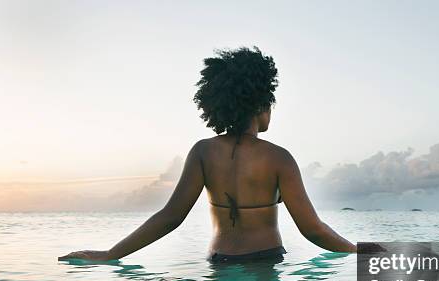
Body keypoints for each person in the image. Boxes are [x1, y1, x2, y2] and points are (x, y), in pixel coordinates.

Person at [59, 47, 356, 262]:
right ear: (259, 105)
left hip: (220, 261)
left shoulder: (203, 152)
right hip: (266, 260)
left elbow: (169, 218)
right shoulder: (279, 158)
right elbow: (313, 230)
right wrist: (362, 253)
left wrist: (111, 254)